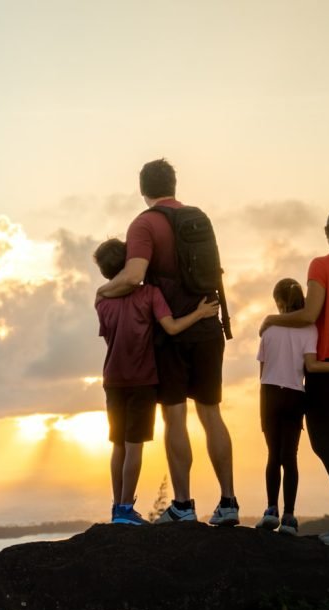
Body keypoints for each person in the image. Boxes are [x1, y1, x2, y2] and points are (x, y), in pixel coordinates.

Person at [95, 159, 239, 525]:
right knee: (211, 413)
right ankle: (228, 502)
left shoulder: (144, 223)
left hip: (171, 330)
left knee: (175, 416)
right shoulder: (198, 219)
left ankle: (183, 506)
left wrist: (105, 289)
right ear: (173, 184)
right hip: (208, 323)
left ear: (143, 189)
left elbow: (133, 276)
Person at [259, 208, 329, 546]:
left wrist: (272, 319)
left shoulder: (321, 266)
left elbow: (310, 315)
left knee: (324, 443)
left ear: (328, 232)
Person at [93, 238, 219, 525]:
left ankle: (117, 507)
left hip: (112, 379)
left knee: (118, 445)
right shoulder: (150, 293)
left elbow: (108, 333)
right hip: (142, 379)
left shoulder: (101, 300)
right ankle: (126, 510)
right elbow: (172, 327)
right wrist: (200, 313)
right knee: (134, 445)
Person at [256, 278, 329, 535]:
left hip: (269, 394)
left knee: (273, 455)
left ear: (278, 302)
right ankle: (289, 517)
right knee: (290, 458)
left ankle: (271, 510)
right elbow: (312, 366)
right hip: (295, 395)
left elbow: (262, 372)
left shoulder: (268, 329)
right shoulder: (309, 329)